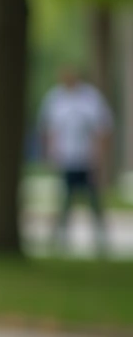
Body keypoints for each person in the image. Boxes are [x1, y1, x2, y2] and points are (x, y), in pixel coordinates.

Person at [38, 65, 114, 254]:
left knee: (94, 200)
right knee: (65, 200)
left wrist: (100, 157)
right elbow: (48, 129)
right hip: (66, 158)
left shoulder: (91, 98)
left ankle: (101, 240)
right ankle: (60, 240)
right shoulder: (55, 98)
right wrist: (50, 154)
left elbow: (103, 128)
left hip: (87, 159)